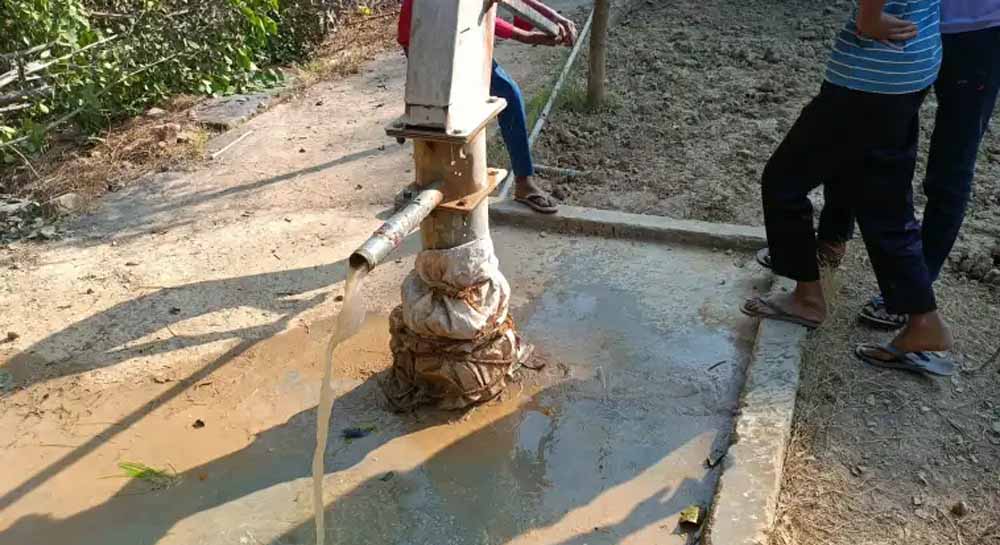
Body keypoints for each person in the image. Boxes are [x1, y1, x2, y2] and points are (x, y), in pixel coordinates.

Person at [741, 0, 957, 376]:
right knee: (885, 203)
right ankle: (923, 319)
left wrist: (869, 17)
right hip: (911, 64)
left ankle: (807, 299)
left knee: (784, 182)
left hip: (869, 74)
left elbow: (870, 18)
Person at [397, 0, 577, 214]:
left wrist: (554, 17)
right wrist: (526, 36)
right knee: (443, 110)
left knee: (509, 94)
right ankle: (436, 184)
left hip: (463, 32)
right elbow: (470, 14)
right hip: (423, 38)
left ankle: (524, 182)